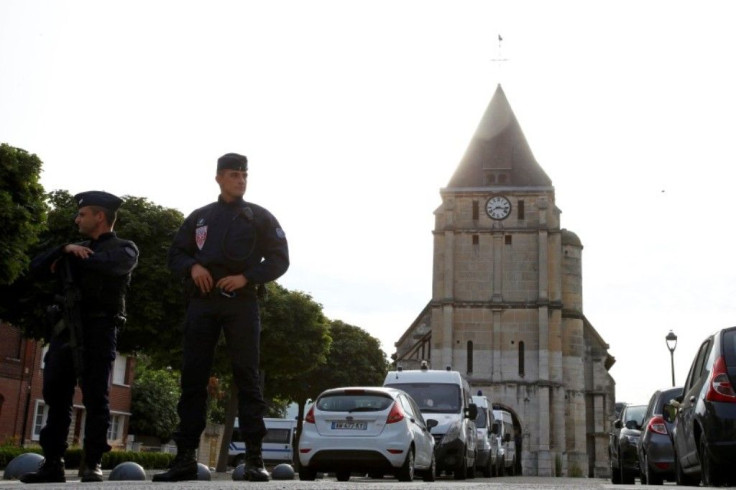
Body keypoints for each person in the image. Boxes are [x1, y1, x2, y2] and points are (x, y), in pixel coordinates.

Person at [153, 153, 289, 482]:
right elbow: (175, 254)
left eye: (244, 175)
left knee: (247, 376)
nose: (241, 180)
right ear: (219, 178)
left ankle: (255, 459)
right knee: (193, 377)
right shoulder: (200, 218)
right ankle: (185, 457)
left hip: (241, 302)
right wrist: (193, 266)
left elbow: (279, 259)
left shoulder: (259, 217)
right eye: (233, 175)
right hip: (202, 302)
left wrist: (247, 277)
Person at [20, 191, 139, 484]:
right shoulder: (71, 250)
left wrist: (79, 256)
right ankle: (53, 463)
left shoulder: (125, 248)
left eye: (82, 214)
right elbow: (35, 268)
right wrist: (63, 249)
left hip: (100, 329)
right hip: (66, 329)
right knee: (55, 394)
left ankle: (92, 462)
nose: (77, 219)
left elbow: (112, 266)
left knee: (96, 395)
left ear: (100, 216)